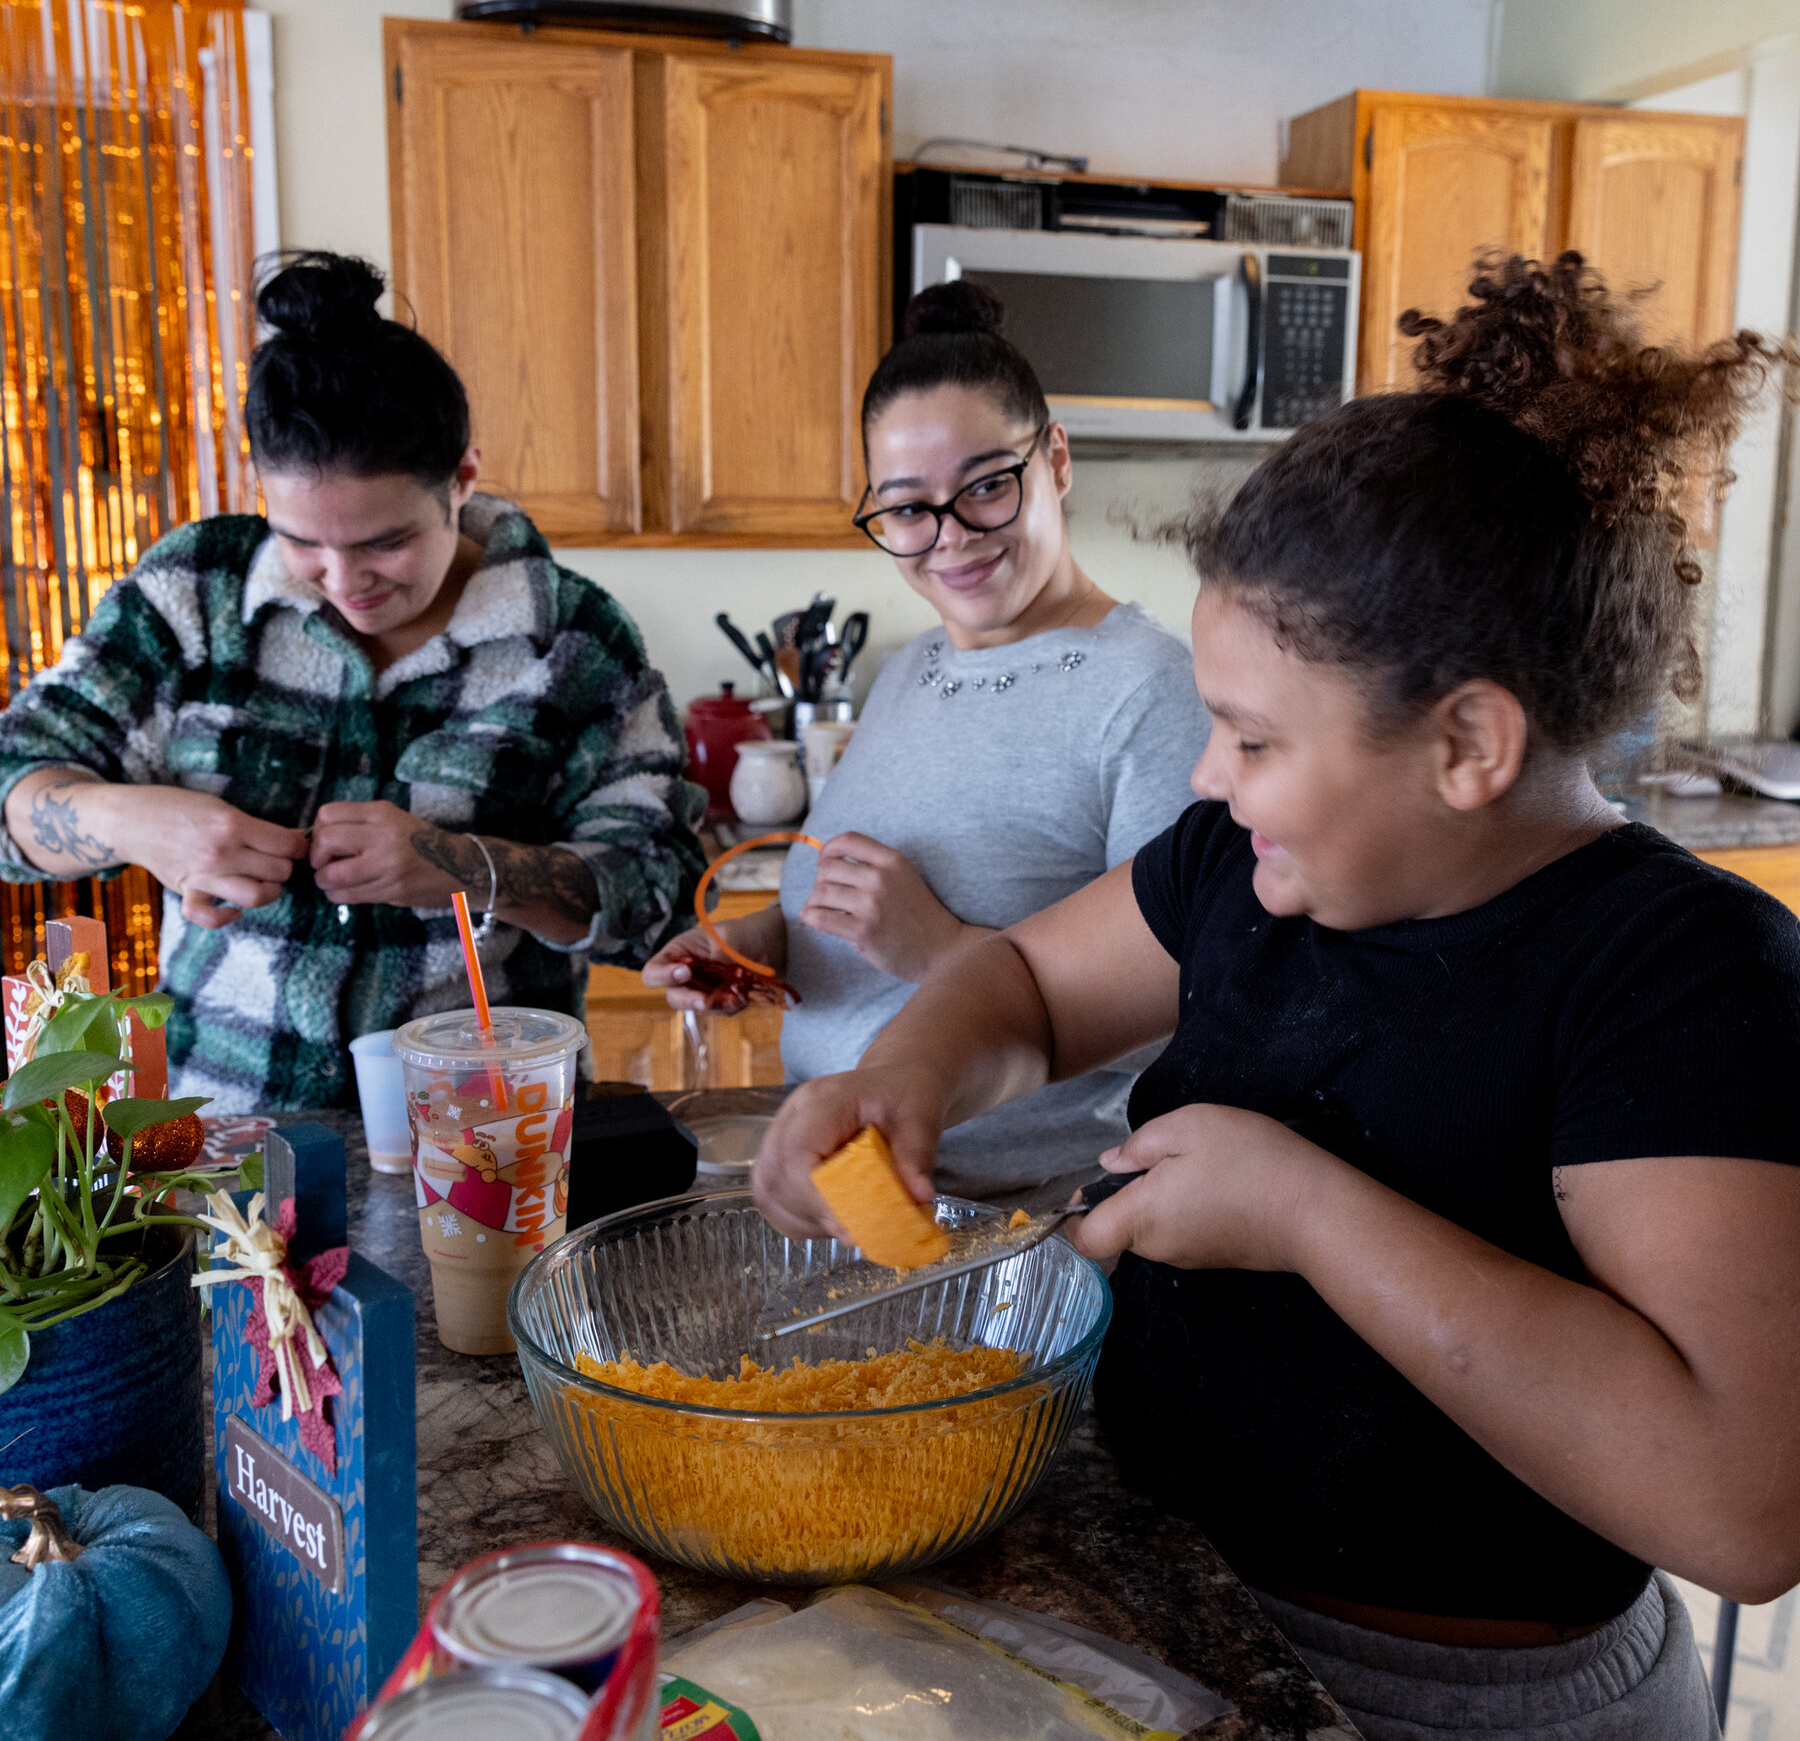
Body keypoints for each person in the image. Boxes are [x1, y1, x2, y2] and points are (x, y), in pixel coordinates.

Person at [753, 255, 1800, 1739]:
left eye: (1249, 737)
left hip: (1474, 1694)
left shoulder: (1681, 977)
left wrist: (1305, 1213)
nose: (1205, 773)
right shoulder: (1247, 867)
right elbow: (1025, 986)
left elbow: (1744, 1501)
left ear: (1468, 745)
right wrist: (906, 1073)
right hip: (1175, 1599)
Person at [0, 252, 705, 1111]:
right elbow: (14, 791)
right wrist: (134, 822)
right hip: (222, 1142)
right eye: (301, 540)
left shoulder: (572, 639)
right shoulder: (194, 592)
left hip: (486, 1137)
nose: (343, 579)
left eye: (384, 542)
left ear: (463, 479)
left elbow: (659, 893)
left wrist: (464, 867)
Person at [644, 282, 1207, 1198]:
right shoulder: (912, 669)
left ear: (1055, 458)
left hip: (1016, 1230)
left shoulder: (1147, 690)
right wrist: (761, 945)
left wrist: (942, 947)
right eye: (908, 508)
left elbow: (1187, 1012)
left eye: (987, 486)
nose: (950, 538)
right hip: (849, 1197)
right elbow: (851, 915)